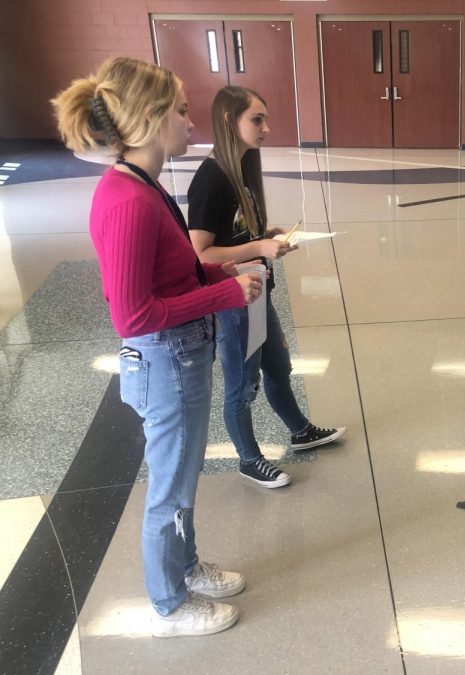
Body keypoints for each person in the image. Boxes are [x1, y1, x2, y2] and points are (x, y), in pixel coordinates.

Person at [52, 57, 262, 638]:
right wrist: (224, 299)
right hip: (165, 359)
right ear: (148, 119)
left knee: (184, 475)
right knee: (169, 484)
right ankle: (169, 603)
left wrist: (228, 279)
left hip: (184, 354)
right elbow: (133, 314)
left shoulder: (146, 185)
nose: (190, 121)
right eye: (179, 110)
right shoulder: (126, 200)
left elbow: (180, 275)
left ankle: (186, 566)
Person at [187, 85, 345, 489]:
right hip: (233, 300)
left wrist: (264, 232)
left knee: (278, 366)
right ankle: (249, 458)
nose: (266, 127)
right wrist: (258, 245)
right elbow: (201, 253)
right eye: (256, 119)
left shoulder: (243, 167)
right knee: (241, 385)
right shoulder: (211, 179)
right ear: (229, 120)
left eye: (265, 119)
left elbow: (236, 231)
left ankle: (300, 431)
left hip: (257, 292)